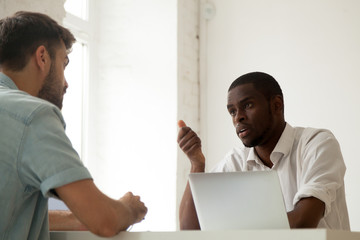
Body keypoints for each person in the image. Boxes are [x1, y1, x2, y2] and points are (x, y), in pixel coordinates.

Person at [0, 11, 147, 239]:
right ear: (42, 57)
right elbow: (104, 220)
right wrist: (129, 208)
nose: (66, 83)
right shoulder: (33, 115)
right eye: (64, 64)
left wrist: (76, 217)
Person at [177, 71, 350, 230]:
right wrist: (197, 165)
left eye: (248, 105)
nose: (238, 117)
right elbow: (190, 230)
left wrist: (233, 227)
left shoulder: (317, 143)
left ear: (276, 105)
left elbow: (303, 222)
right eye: (232, 111)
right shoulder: (235, 160)